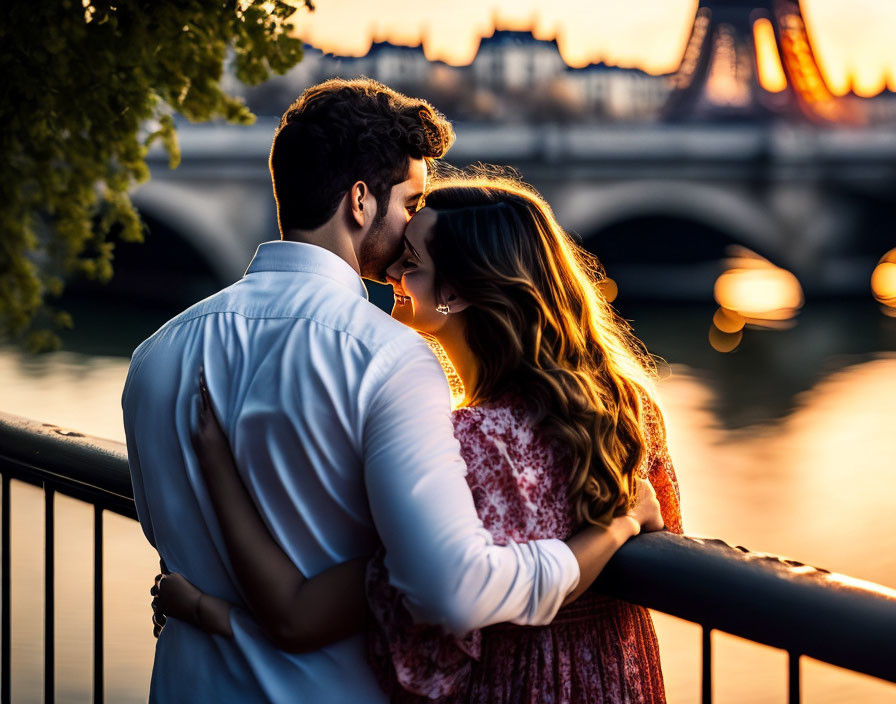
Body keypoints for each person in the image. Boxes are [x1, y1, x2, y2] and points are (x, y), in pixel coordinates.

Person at [123, 79, 634, 703]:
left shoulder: (155, 356)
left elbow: (171, 541)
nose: (413, 225)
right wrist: (615, 533)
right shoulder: (387, 358)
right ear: (361, 202)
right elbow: (452, 590)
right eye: (411, 203)